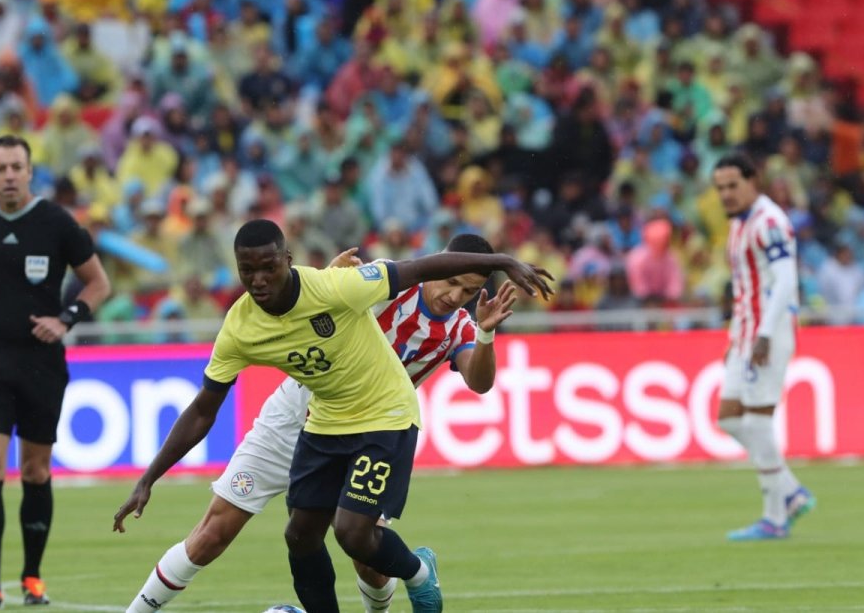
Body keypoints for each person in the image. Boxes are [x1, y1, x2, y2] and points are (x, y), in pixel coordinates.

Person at [113, 220, 552, 613]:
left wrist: (487, 332)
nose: (454, 295)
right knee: (221, 533)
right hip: (300, 414)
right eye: (450, 280)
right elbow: (322, 289)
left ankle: (411, 579)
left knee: (362, 549)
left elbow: (478, 381)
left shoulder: (459, 327)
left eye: (468, 290)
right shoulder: (382, 286)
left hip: (378, 419)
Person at [0, 135, 112, 609]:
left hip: (41, 364)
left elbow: (98, 283)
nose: (9, 175)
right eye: (0, 168)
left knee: (35, 469)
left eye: (16, 167)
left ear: (30, 172)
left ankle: (31, 579)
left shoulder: (55, 223)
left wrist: (67, 319)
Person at [711, 154, 815, 541]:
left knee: (756, 421)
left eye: (733, 185)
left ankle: (775, 517)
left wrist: (765, 335)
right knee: (728, 418)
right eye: (720, 188)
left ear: (754, 180)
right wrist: (735, 338)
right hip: (746, 333)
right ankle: (790, 491)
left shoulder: (769, 222)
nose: (726, 194)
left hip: (767, 334)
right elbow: (745, 290)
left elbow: (787, 281)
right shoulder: (740, 226)